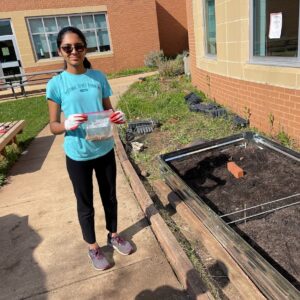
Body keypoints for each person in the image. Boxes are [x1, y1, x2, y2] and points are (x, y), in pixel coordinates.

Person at [46, 26, 133, 271]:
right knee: (85, 203)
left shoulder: (98, 77)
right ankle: (93, 248)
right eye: (68, 47)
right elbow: (52, 125)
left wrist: (117, 116)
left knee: (110, 196)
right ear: (60, 51)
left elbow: (109, 109)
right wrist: (65, 124)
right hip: (78, 154)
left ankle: (113, 234)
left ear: (85, 48)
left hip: (104, 149)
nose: (74, 51)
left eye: (79, 46)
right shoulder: (56, 84)